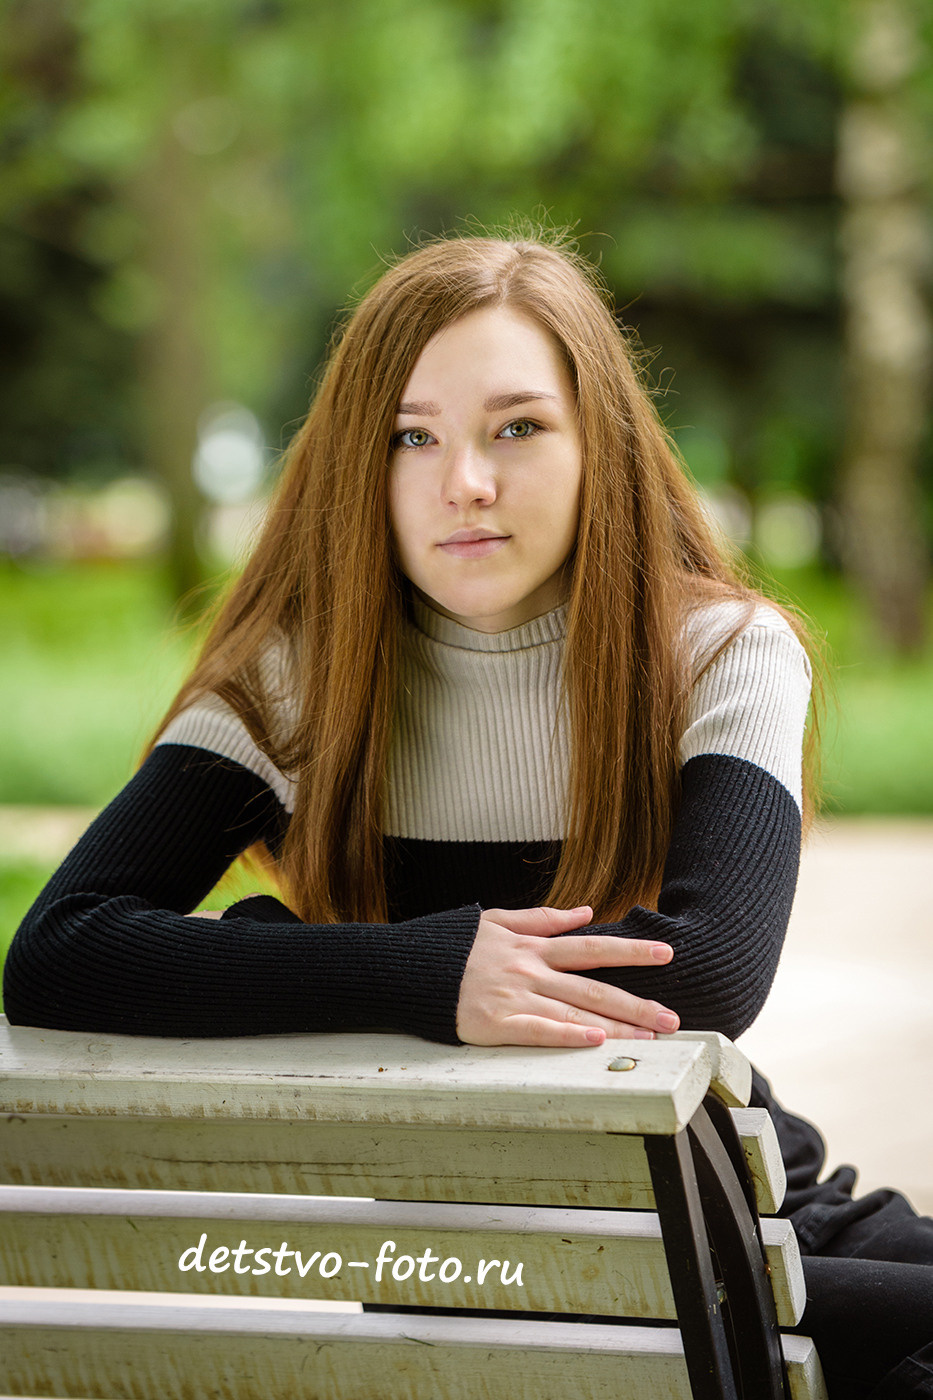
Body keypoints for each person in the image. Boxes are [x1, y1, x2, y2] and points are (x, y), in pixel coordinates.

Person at [4, 232, 931, 1397]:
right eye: (412, 436)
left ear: (602, 445)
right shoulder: (300, 684)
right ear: (360, 464)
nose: (466, 482)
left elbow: (702, 971)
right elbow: (58, 948)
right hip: (506, 1261)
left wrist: (286, 949)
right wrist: (426, 968)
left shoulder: (720, 654)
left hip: (751, 1216)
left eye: (518, 427)